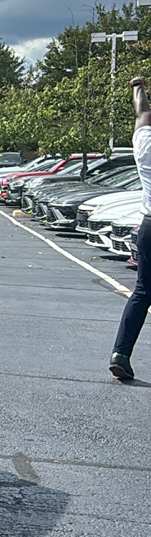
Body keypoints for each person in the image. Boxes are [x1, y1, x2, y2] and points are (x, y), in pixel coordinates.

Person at [110, 74, 151, 380]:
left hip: (148, 227)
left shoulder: (144, 147)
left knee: (142, 290)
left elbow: (142, 113)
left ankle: (120, 353)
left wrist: (139, 88)